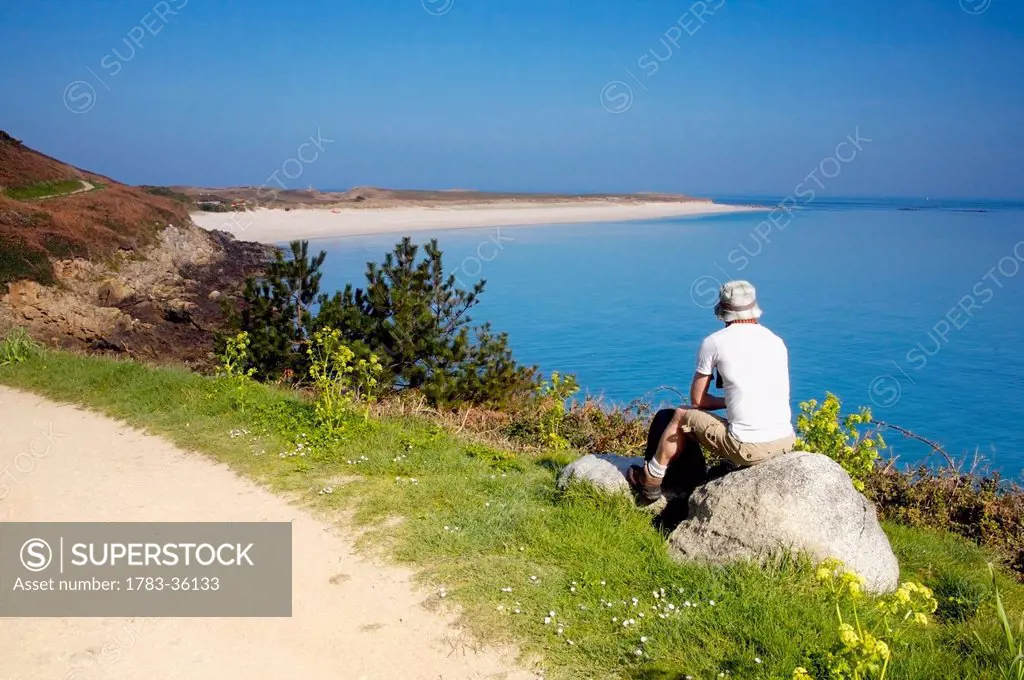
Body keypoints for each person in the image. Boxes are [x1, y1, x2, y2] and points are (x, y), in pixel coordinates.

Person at [627, 280, 796, 502]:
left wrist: (726, 401)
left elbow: (697, 400)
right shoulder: (776, 341)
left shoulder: (715, 342)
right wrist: (733, 400)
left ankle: (651, 478)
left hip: (749, 448)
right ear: (755, 309)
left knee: (679, 415)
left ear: (723, 312)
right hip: (786, 441)